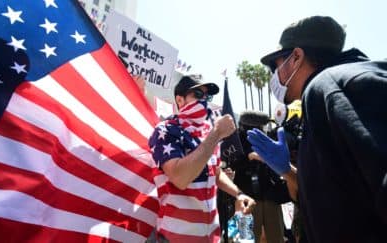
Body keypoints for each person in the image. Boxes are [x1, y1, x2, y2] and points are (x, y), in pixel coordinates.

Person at [246, 15, 387, 243]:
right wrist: (288, 171)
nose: (274, 75)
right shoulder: (327, 89)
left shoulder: (329, 85)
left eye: (276, 65)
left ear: (297, 57)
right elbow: (339, 192)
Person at [148, 74, 255, 243]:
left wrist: (238, 194)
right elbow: (180, 178)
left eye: (208, 96)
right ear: (180, 100)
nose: (204, 100)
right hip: (176, 237)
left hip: (211, 235)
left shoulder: (207, 131)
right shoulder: (166, 130)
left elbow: (216, 172)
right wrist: (216, 134)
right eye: (198, 94)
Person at [233, 111, 287, 243]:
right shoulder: (236, 140)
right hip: (247, 197)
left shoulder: (268, 138)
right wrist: (249, 157)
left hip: (270, 195)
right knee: (247, 239)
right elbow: (230, 164)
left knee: (276, 236)